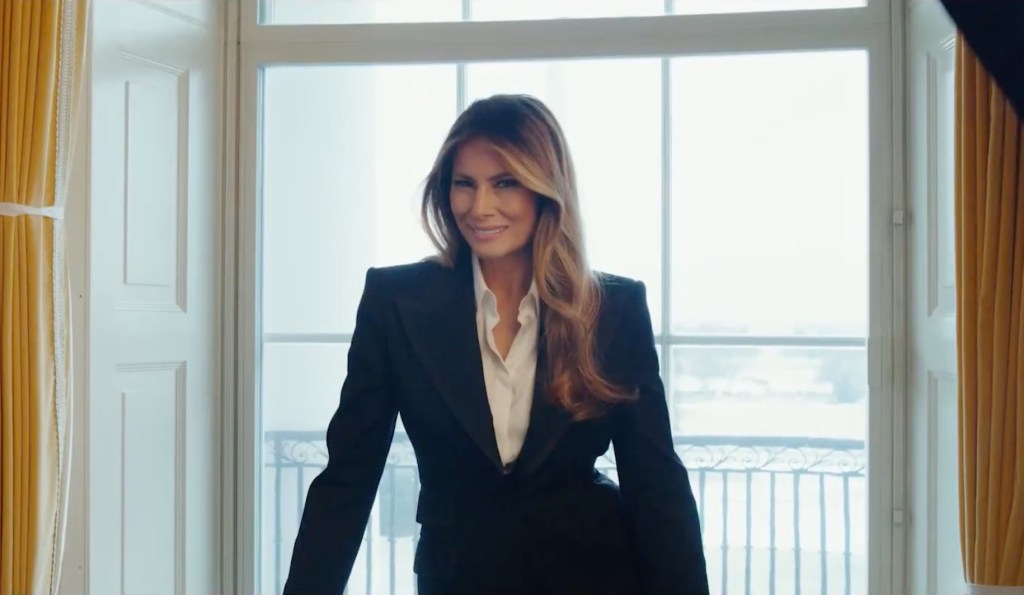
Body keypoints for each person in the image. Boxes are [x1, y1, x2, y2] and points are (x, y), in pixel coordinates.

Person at [283, 94, 709, 595]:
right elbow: (348, 477)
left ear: (544, 190)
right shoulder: (396, 303)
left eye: (504, 182)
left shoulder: (611, 309)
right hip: (458, 578)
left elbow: (654, 478)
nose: (479, 206)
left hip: (596, 574)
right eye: (465, 184)